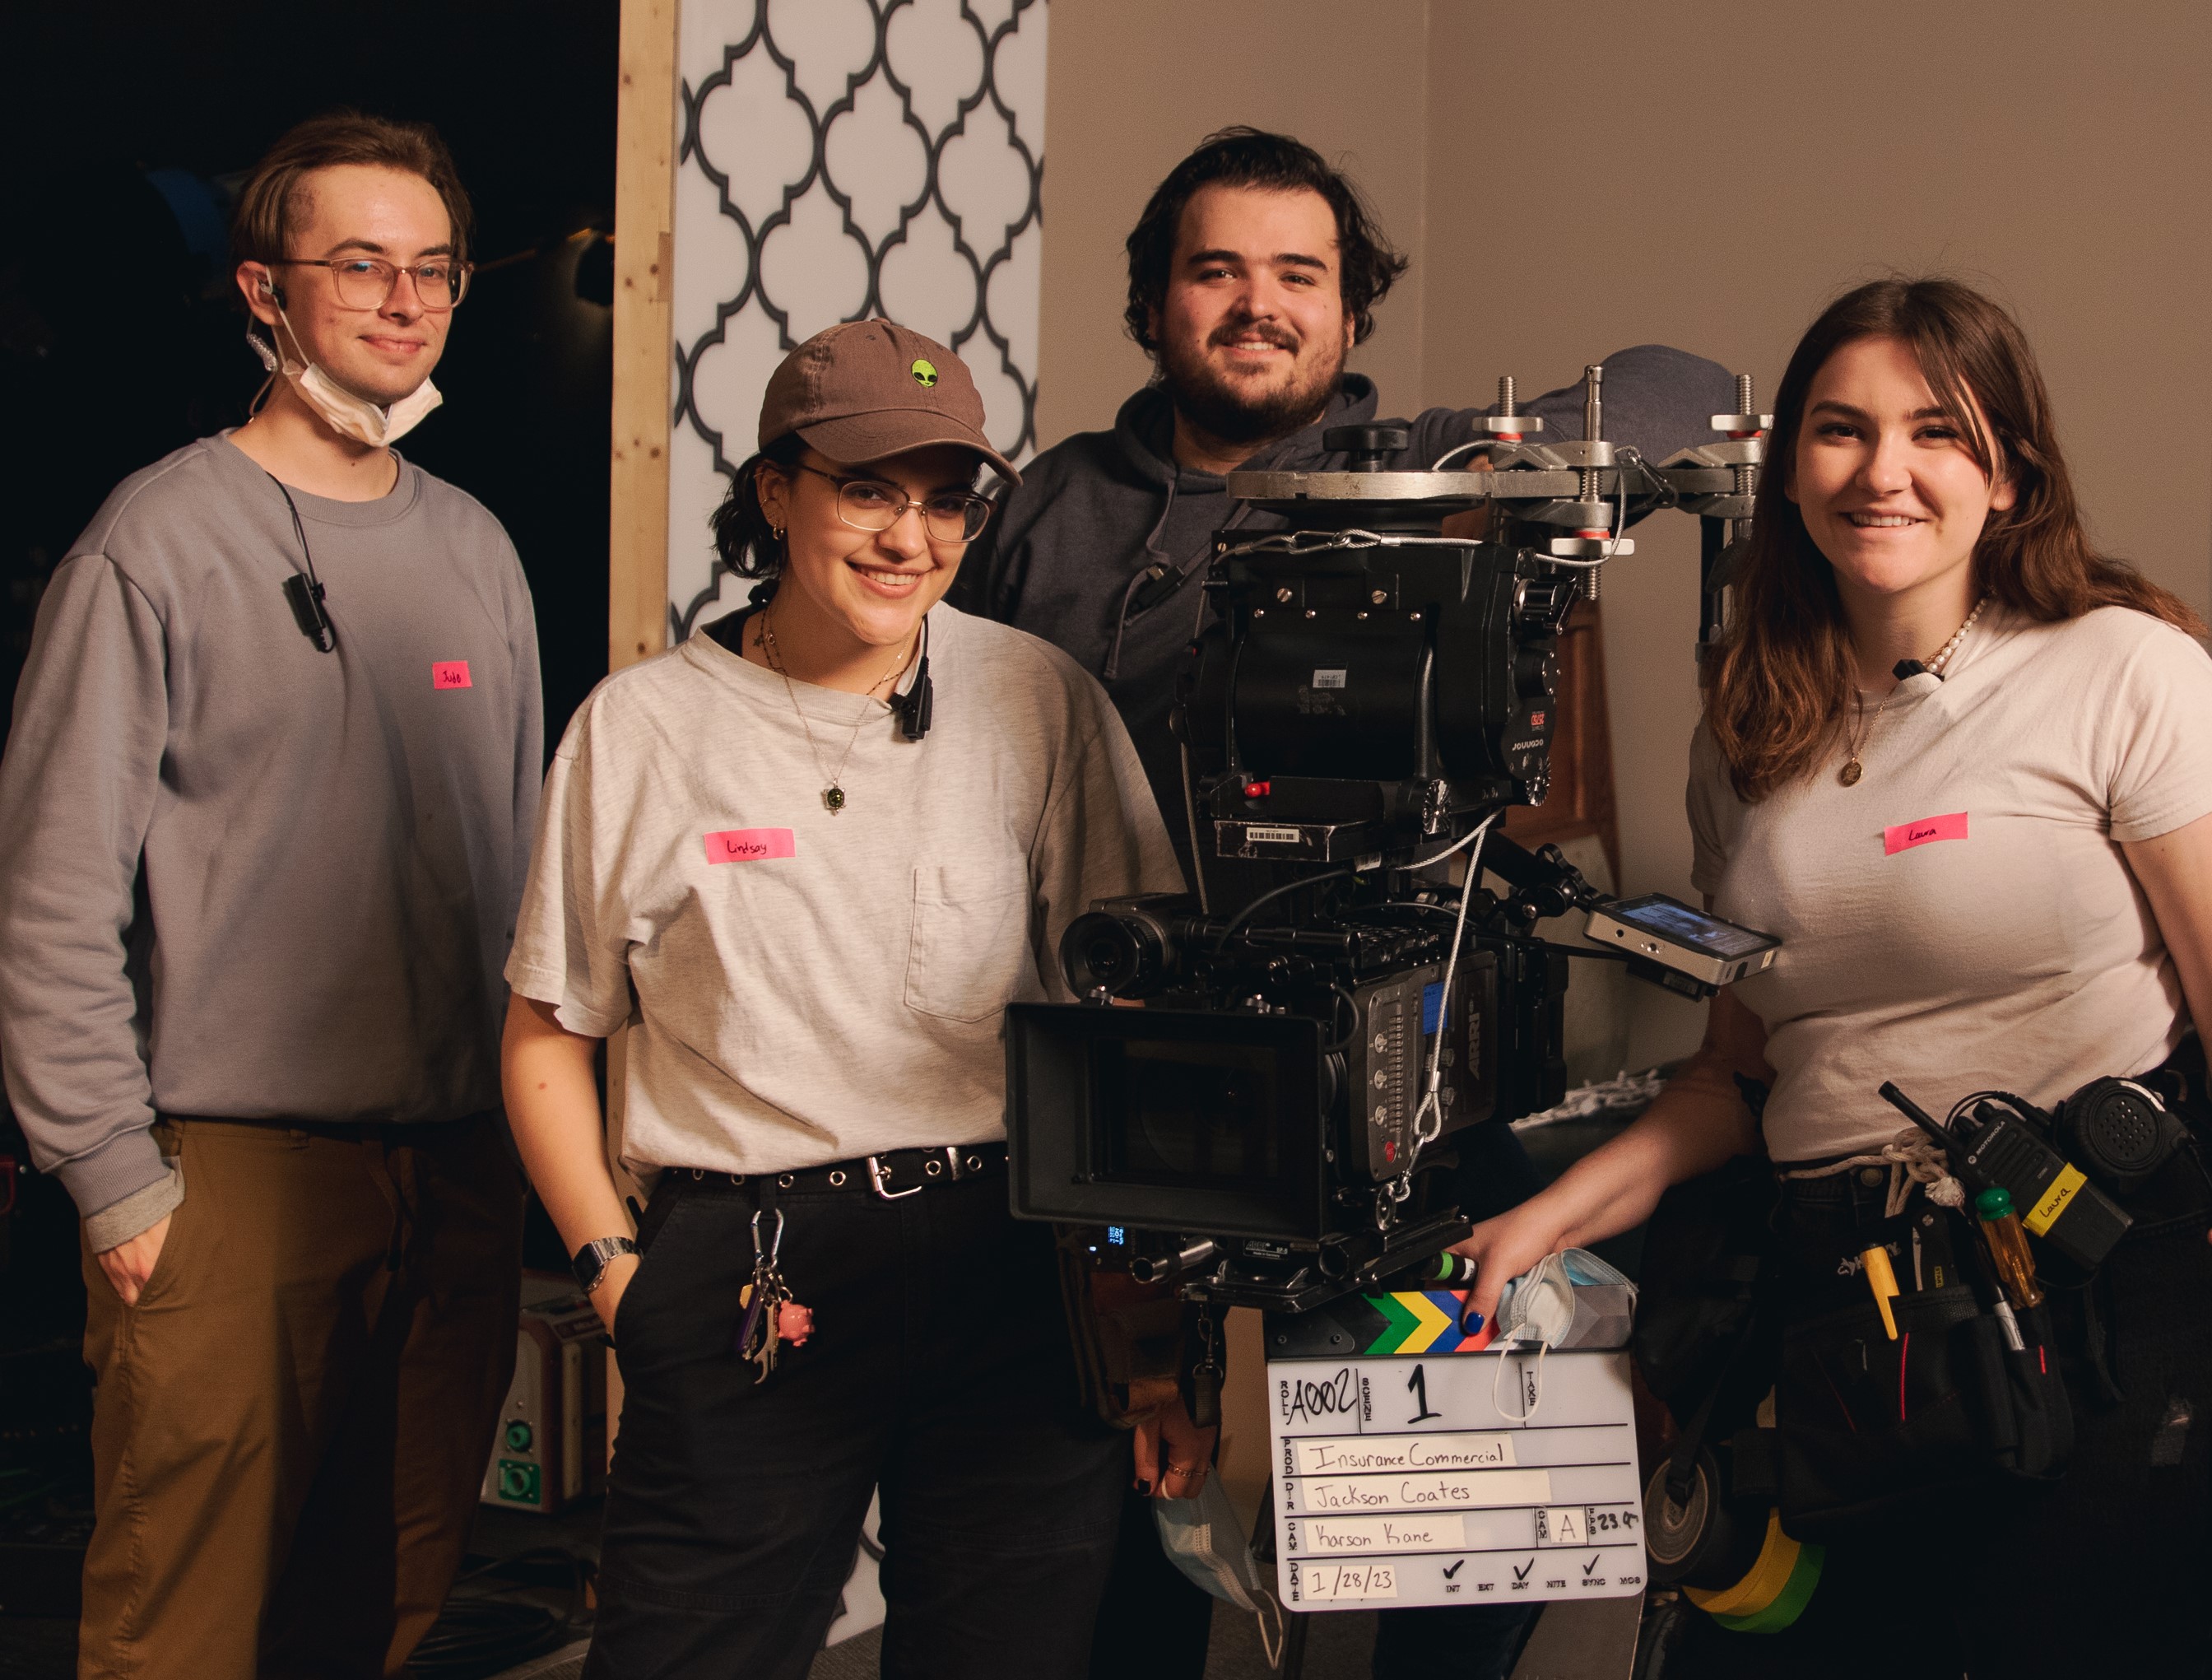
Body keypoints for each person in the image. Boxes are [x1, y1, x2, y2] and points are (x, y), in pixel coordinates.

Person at [953, 123, 1740, 1680]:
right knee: (1120, 1527)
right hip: (1135, 1063)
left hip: (1412, 1064)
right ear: (1157, 302)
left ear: (1352, 312)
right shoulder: (1049, 507)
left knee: (1446, 1525)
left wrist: (1466, 492)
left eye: (1299, 274)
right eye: (1218, 270)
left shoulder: (1434, 466)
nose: (1258, 304)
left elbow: (1692, 385)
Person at [1456, 277, 2212, 1676]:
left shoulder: (2125, 673)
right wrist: (1545, 1222)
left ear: (2010, 472)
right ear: (1789, 468)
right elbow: (1740, 1073)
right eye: (1839, 429)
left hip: (2093, 1286)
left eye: (1937, 431)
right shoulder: (1749, 731)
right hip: (1848, 1311)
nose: (1883, 471)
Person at [501, 319, 1186, 1679]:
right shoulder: (639, 730)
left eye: (944, 498)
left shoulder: (1038, 698)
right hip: (751, 1268)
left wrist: (1150, 1337)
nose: (908, 536)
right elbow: (545, 1028)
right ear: (776, 491)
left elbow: (1127, 1035)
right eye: (867, 488)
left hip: (1013, 1257)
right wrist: (616, 1275)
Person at [0, 112, 541, 1678]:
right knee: (186, 1631)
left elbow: (515, 872)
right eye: (357, 263)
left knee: (384, 1609)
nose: (402, 299)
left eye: (431, 268)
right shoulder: (157, 543)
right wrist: (111, 1175)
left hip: (450, 1172)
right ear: (263, 288)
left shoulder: (476, 551)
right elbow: (50, 896)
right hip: (227, 1176)